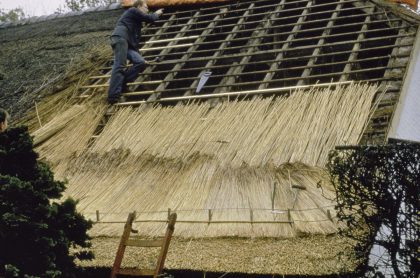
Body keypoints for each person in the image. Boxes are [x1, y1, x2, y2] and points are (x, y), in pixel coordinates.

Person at [108, 0, 164, 105]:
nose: (147, 10)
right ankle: (113, 95)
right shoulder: (133, 10)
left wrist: (142, 58)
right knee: (120, 65)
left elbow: (134, 44)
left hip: (128, 43)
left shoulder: (137, 24)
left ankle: (122, 81)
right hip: (120, 38)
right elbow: (150, 18)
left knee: (140, 62)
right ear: (139, 7)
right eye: (146, 7)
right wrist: (157, 13)